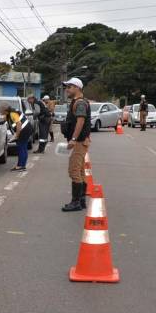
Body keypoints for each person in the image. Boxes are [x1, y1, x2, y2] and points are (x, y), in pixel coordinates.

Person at [60, 77, 91, 212]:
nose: (67, 89)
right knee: (80, 171)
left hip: (78, 142)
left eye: (69, 87)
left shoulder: (79, 103)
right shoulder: (77, 102)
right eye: (67, 87)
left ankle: (76, 202)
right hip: (80, 141)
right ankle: (82, 200)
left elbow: (80, 122)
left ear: (77, 88)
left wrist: (73, 138)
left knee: (74, 171)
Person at [2, 104, 32, 171]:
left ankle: (20, 166)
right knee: (23, 148)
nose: (1, 113)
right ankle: (22, 165)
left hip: (24, 130)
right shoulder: (10, 112)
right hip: (27, 129)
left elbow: (19, 124)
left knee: (21, 148)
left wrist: (17, 135)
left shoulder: (12, 114)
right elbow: (3, 119)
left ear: (5, 111)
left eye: (2, 111)